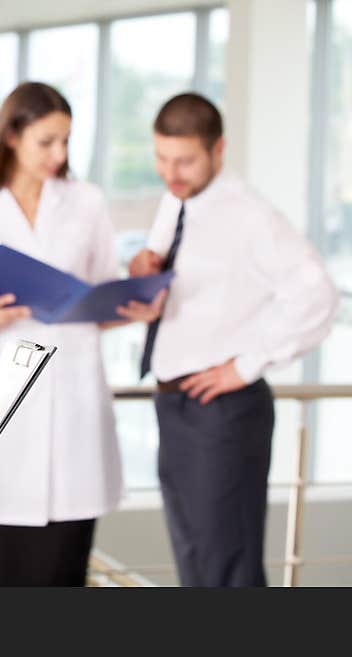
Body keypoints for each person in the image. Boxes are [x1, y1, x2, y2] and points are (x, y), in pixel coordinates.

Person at [0, 82, 164, 586]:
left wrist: (131, 306)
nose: (59, 154)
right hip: (1, 396)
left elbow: (98, 298)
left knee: (63, 567)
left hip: (73, 397)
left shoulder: (85, 201)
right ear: (11, 136)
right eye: (46, 141)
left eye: (66, 141)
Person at [129, 92, 339, 587]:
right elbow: (176, 280)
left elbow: (318, 295)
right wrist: (145, 269)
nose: (170, 172)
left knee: (228, 571)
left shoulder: (250, 216)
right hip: (176, 405)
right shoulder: (179, 200)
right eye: (161, 158)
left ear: (218, 149)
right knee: (195, 565)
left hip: (223, 411)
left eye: (184, 161)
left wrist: (244, 366)